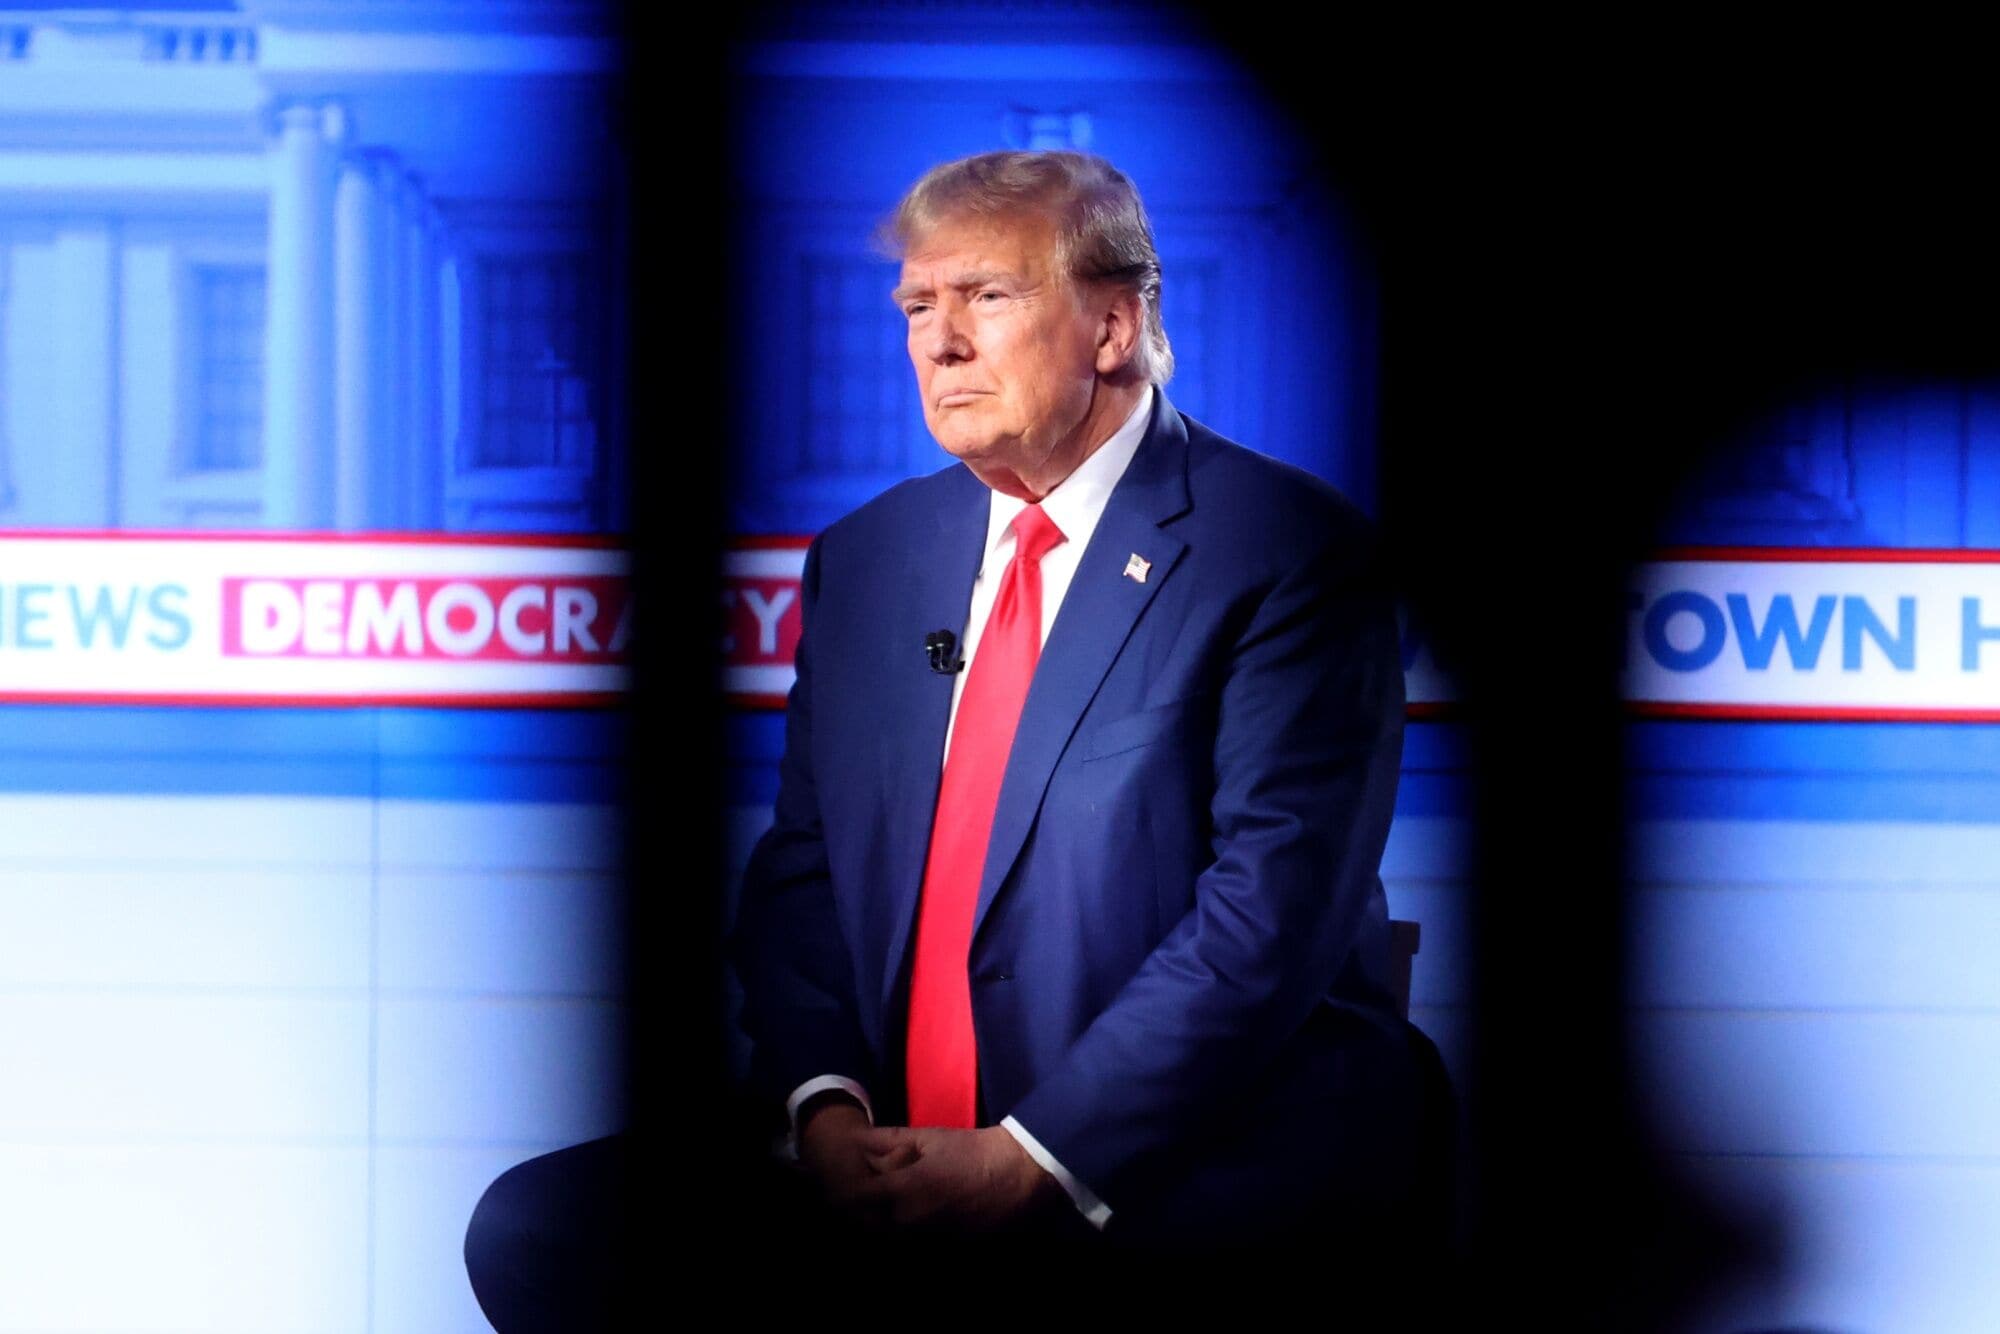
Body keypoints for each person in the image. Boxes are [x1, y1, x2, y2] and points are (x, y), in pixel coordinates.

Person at [728, 147, 1422, 1264]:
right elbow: (805, 872)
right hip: (888, 1149)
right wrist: (826, 1106)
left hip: (1168, 1168)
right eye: (917, 305)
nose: (939, 341)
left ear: (1111, 326)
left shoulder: (1287, 549)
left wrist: (1035, 1158)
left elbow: (1270, 911)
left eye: (986, 296)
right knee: (545, 1228)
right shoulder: (864, 560)